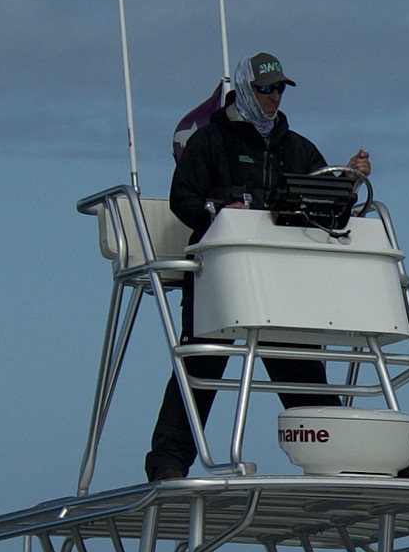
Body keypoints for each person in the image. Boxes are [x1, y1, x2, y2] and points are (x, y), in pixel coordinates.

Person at [146, 52, 373, 480]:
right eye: (264, 89)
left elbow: (324, 205)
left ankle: (342, 457)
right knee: (202, 365)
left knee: (299, 365)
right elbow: (183, 198)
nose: (273, 97)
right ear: (245, 89)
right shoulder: (210, 142)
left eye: (280, 88)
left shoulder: (298, 147)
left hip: (281, 277)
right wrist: (219, 211)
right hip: (221, 273)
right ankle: (167, 464)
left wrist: (350, 182)